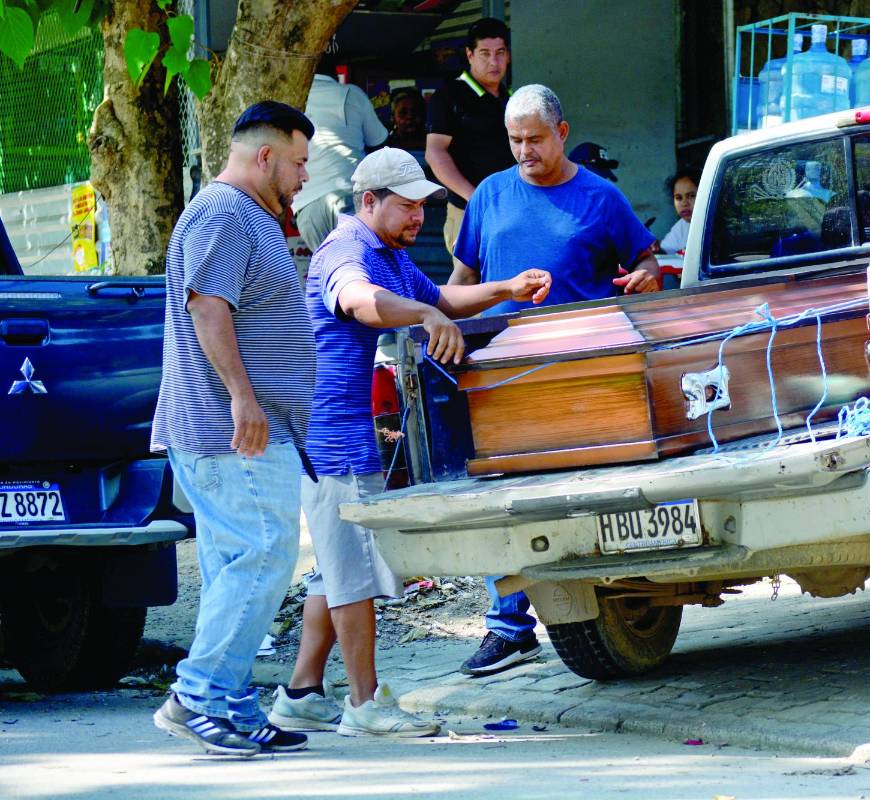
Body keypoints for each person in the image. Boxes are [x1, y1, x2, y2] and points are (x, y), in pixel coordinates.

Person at [267, 147, 552, 735]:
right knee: (352, 575)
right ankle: (365, 705)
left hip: (349, 435)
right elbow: (359, 303)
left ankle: (301, 693)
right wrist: (423, 316)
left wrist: (508, 288)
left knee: (333, 571)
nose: (419, 217)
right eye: (407, 206)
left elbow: (444, 299)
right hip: (329, 438)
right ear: (369, 201)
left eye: (423, 206)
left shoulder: (391, 253)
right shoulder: (346, 251)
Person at [453, 84, 661, 673]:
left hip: (581, 375)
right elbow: (461, 282)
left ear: (562, 133)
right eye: (514, 140)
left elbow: (644, 260)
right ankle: (508, 626)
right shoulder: (489, 195)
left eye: (535, 139)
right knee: (502, 498)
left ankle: (606, 604)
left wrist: (646, 275)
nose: (525, 151)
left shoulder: (601, 197)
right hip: (500, 374)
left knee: (581, 495)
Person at [150, 101, 317, 757]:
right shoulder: (224, 211)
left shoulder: (250, 214)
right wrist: (243, 398)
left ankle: (232, 704)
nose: (304, 176)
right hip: (234, 431)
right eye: (299, 162)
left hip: (239, 429)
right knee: (265, 553)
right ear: (265, 156)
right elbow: (208, 307)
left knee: (234, 568)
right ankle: (196, 696)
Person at [425, 17, 512, 269]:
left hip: (510, 211)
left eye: (500, 53)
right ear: (470, 54)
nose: (493, 61)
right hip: (468, 212)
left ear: (508, 56)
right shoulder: (450, 95)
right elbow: (435, 153)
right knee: (470, 284)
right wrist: (475, 198)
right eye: (485, 53)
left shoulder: (510, 98)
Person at [292, 62, 389, 259]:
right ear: (335, 73)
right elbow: (380, 144)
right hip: (348, 194)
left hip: (307, 208)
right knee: (363, 268)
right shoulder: (352, 93)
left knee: (333, 271)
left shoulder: (291, 100)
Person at [660, 167, 700, 254]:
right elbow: (665, 252)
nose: (684, 203)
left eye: (691, 196)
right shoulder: (681, 227)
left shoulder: (718, 225)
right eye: (678, 198)